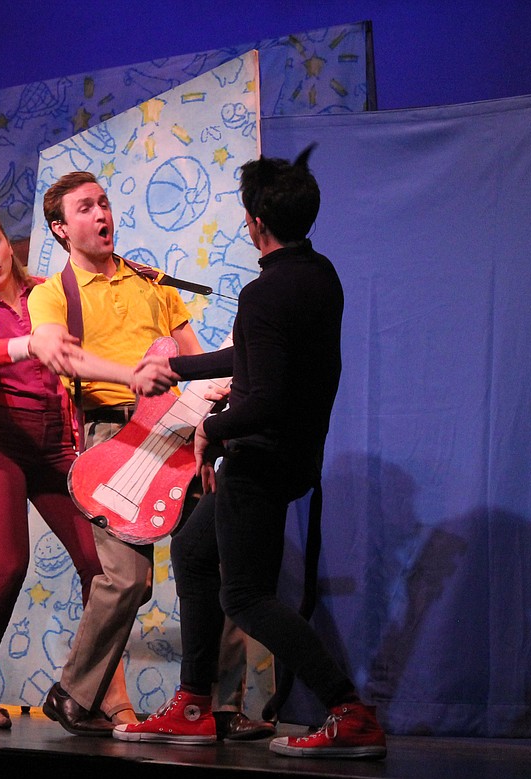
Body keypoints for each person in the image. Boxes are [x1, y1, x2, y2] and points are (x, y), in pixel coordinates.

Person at [116, 146, 387, 759]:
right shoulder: (318, 275)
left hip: (261, 457)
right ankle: (192, 705)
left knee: (245, 596)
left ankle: (348, 710)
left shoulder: (266, 294)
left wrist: (213, 431)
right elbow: (256, 357)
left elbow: (260, 396)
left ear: (254, 222)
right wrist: (175, 365)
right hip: (291, 455)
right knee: (191, 546)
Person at [27, 171, 203, 736]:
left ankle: (217, 704)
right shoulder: (54, 294)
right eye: (85, 207)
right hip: (115, 440)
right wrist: (134, 377)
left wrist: (212, 413)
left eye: (103, 202)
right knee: (128, 579)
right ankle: (76, 692)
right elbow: (64, 360)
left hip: (179, 436)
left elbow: (195, 359)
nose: (101, 213)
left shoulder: (153, 283)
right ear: (60, 228)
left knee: (215, 564)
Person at [0, 211, 103, 728]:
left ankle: (94, 687)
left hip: (56, 444)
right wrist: (26, 345)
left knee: (100, 569)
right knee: (8, 564)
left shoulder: (46, 294)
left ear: (9, 246)